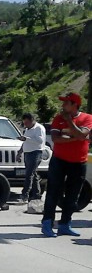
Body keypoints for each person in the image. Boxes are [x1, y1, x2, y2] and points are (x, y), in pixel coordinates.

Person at [41, 92, 92, 237]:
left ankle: (64, 224)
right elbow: (56, 139)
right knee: (53, 192)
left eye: (66, 103)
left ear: (75, 105)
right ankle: (47, 224)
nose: (63, 105)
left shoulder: (87, 118)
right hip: (59, 160)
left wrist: (70, 123)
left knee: (72, 195)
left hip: (79, 162)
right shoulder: (58, 118)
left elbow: (83, 135)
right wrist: (78, 137)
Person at [17, 113, 46, 203]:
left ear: (32, 120)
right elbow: (25, 142)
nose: (25, 125)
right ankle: (37, 195)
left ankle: (24, 195)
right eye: (24, 123)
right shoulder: (27, 129)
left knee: (29, 174)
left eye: (27, 122)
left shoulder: (38, 128)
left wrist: (26, 139)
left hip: (35, 153)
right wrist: (20, 152)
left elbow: (39, 141)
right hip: (27, 153)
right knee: (34, 175)